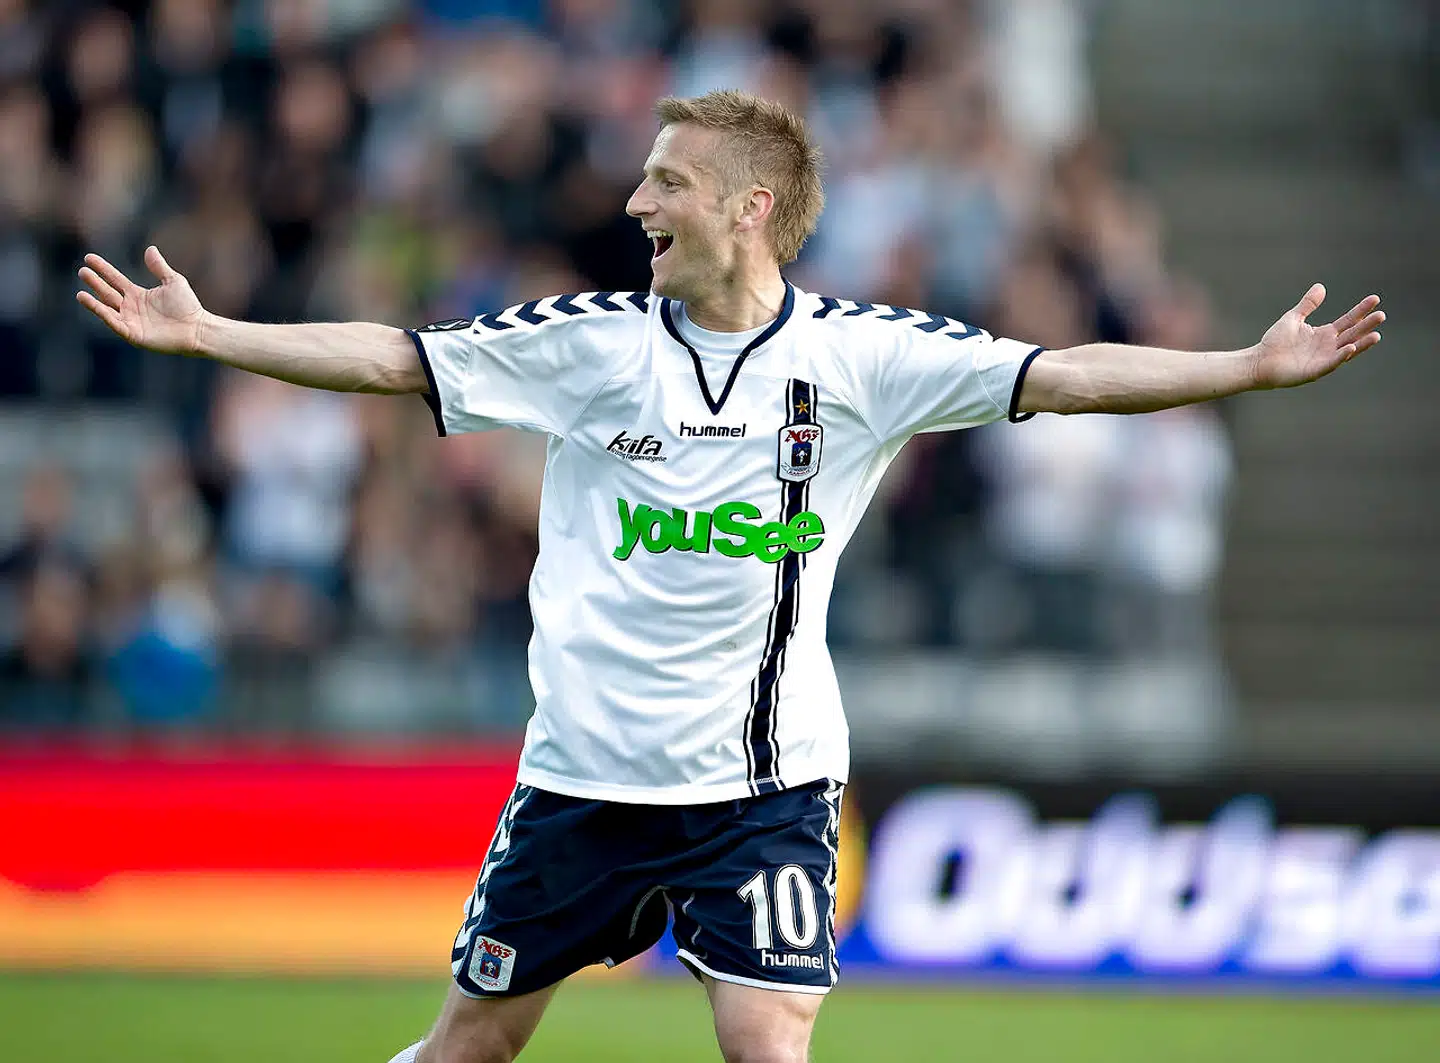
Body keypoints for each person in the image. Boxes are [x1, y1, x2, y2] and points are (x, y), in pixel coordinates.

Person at [76, 90, 1383, 1063]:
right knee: (468, 1045)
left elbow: (1063, 372)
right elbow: (394, 356)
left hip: (763, 788)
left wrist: (1242, 370)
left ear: (748, 207)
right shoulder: (589, 344)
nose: (639, 205)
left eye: (667, 184)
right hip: (581, 778)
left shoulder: (867, 356)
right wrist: (213, 335)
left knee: (767, 1044)